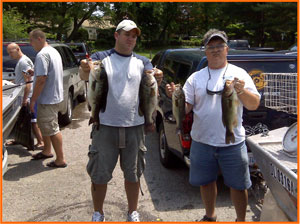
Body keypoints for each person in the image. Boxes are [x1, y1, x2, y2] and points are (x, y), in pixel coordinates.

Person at [166, 29, 260, 222]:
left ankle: (240, 219)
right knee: (206, 182)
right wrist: (175, 96)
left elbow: (253, 104)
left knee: (239, 185)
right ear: (205, 51)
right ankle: (210, 216)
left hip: (233, 142)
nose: (215, 50)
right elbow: (187, 108)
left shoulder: (239, 74)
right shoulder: (195, 78)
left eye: (219, 46)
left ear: (227, 49)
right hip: (201, 141)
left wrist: (241, 91)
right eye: (211, 47)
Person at [79, 19, 163, 222]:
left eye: (134, 36)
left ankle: (132, 211)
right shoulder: (101, 58)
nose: (131, 39)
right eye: (127, 34)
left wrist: (158, 77)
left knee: (133, 174)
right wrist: (84, 67)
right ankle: (98, 213)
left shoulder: (143, 62)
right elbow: (84, 73)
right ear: (116, 35)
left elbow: (153, 82)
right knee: (99, 174)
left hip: (135, 127)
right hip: (105, 126)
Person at [29, 29, 67, 168]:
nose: (30, 44)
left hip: (47, 98)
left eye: (31, 40)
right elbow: (47, 72)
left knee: (52, 128)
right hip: (54, 96)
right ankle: (46, 151)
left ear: (39, 39)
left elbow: (41, 79)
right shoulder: (53, 51)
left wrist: (33, 100)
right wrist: (36, 71)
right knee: (46, 125)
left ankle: (60, 159)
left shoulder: (42, 54)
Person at [6, 43, 44, 150]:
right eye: (8, 53)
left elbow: (28, 81)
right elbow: (21, 79)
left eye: (11, 52)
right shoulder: (20, 62)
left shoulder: (24, 62)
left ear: (18, 49)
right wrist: (9, 82)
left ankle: (41, 142)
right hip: (22, 94)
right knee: (21, 119)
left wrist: (25, 99)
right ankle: (18, 139)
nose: (9, 55)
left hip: (28, 96)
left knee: (32, 120)